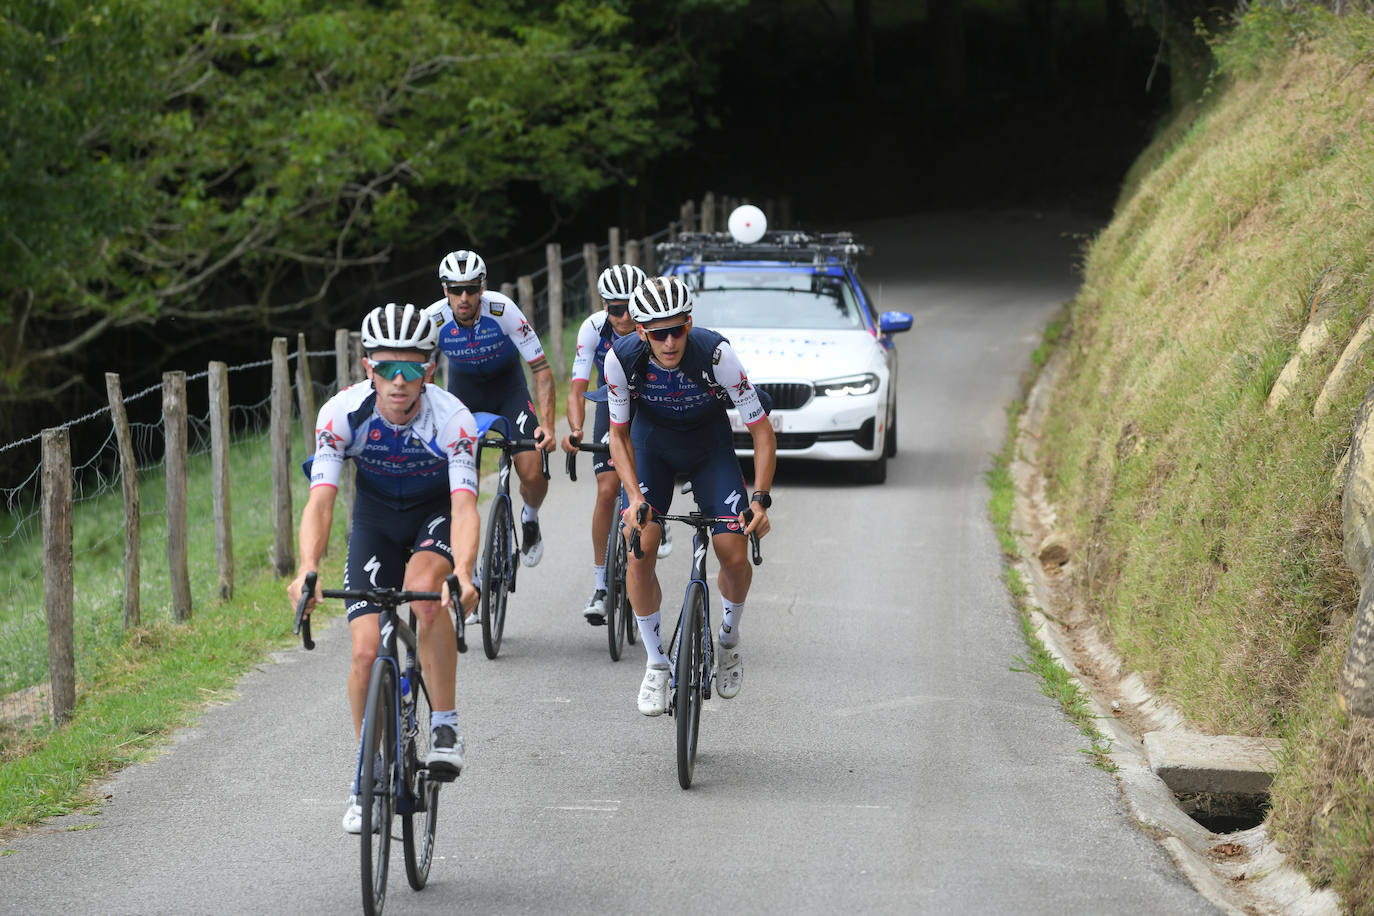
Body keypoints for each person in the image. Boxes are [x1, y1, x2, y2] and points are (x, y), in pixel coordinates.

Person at [288, 302, 481, 834]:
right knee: (365, 649)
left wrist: (463, 571)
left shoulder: (453, 419)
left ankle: (444, 724)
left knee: (424, 594)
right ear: (367, 368)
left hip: (433, 518)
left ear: (430, 370)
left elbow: (465, 506)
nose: (399, 380)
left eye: (412, 367)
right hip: (375, 523)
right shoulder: (341, 414)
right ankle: (366, 773)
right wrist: (308, 567)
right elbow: (321, 502)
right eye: (386, 367)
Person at [604, 276, 776, 715]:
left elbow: (760, 430)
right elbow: (618, 437)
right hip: (651, 444)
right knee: (640, 545)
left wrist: (760, 498)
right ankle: (657, 662)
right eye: (657, 333)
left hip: (708, 446)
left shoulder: (716, 354)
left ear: (689, 324)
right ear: (641, 332)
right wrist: (632, 497)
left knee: (733, 551)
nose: (668, 342)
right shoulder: (621, 359)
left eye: (676, 330)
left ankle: (729, 641)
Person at [427, 249, 556, 567]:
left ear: (482, 287)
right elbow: (423, 380)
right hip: (463, 395)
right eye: (456, 290)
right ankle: (465, 569)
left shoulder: (503, 311)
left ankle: (530, 517)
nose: (464, 296)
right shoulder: (433, 320)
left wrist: (548, 426)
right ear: (445, 290)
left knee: (532, 472)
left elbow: (540, 367)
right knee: (459, 483)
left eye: (471, 288)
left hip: (508, 390)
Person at [560, 264, 672, 626]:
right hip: (612, 399)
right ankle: (600, 587)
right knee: (607, 489)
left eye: (629, 307)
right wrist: (575, 429)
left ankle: (657, 515)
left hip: (653, 400)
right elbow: (577, 387)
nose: (624, 317)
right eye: (615, 309)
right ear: (604, 307)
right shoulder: (593, 328)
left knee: (650, 471)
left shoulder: (655, 327)